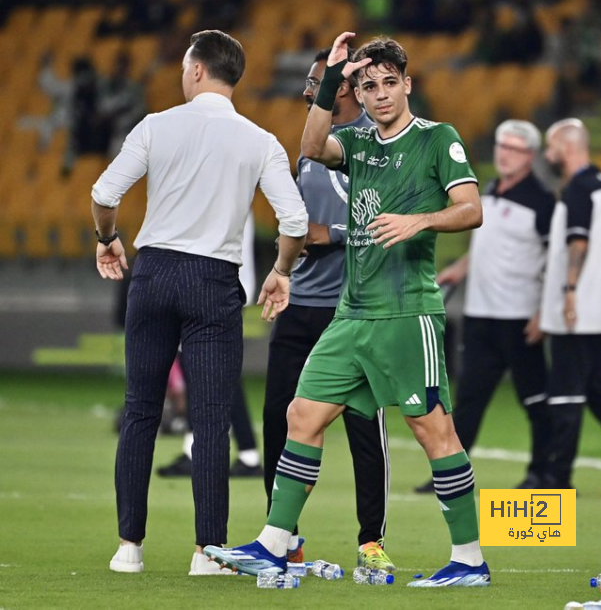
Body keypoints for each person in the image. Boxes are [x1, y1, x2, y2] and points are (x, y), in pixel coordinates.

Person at [206, 31, 491, 588]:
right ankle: (272, 543)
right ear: (356, 95)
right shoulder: (356, 146)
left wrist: (419, 221)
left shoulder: (438, 139)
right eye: (369, 86)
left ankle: (470, 559)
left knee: (435, 433)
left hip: (408, 315)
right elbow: (311, 147)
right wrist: (332, 76)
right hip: (352, 314)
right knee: (301, 416)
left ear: (407, 85)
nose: (381, 94)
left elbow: (471, 208)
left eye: (390, 83)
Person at [91, 29, 308, 575]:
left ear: (194, 71)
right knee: (211, 420)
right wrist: (281, 271)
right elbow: (296, 222)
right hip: (214, 279)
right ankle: (206, 553)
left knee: (141, 409)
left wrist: (106, 238)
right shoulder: (260, 140)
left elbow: (103, 194)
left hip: (156, 272)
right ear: (232, 76)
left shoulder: (155, 126)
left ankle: (128, 549)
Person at [262, 47, 393, 571]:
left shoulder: (376, 144)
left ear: (342, 85)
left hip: (356, 308)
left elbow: (393, 219)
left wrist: (330, 233)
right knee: (279, 417)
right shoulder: (310, 148)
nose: (305, 90)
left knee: (365, 427)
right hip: (303, 303)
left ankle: (371, 541)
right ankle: (282, 536)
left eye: (316, 81)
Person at [414, 120, 555, 494]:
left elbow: (554, 261)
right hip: (480, 314)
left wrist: (545, 311)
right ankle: (450, 475)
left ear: (530, 156)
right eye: (501, 145)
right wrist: (457, 271)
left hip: (520, 317)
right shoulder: (487, 190)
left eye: (513, 148)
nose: (503, 154)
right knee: (468, 401)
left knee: (535, 400)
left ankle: (543, 473)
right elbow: (485, 250)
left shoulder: (542, 202)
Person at [540, 117, 601, 496]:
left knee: (566, 394)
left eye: (550, 147)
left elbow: (577, 244)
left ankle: (557, 480)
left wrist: (568, 293)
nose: (547, 155)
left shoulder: (578, 188)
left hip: (579, 310)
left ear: (566, 147)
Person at [158, 214, 263, 478]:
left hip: (211, 284)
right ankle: (245, 453)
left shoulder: (218, 188)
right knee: (217, 371)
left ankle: (211, 453)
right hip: (222, 284)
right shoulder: (235, 185)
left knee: (204, 367)